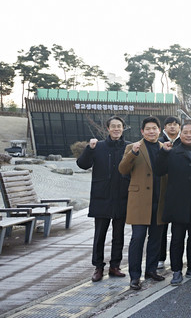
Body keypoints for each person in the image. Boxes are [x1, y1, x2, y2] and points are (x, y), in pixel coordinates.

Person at [76, 116, 130, 282]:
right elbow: (82, 164)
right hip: (102, 197)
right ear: (108, 129)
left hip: (122, 196)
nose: (116, 129)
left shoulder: (129, 147)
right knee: (100, 234)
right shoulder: (97, 146)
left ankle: (115, 265)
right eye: (113, 126)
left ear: (123, 128)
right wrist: (89, 149)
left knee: (119, 235)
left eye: (119, 126)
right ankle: (98, 267)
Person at [156, 121, 191, 286]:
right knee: (177, 238)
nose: (188, 135)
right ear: (181, 134)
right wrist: (163, 153)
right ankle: (176, 271)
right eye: (185, 132)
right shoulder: (172, 151)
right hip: (178, 203)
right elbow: (158, 170)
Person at [118, 116, 167, 290]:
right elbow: (122, 169)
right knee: (137, 239)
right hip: (139, 201)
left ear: (159, 130)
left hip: (159, 201)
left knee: (155, 239)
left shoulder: (165, 147)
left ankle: (151, 270)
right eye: (148, 129)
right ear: (142, 131)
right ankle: (135, 276)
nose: (151, 131)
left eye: (154, 128)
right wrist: (133, 154)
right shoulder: (132, 147)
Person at [157, 115, 181, 270]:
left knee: (178, 229)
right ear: (164, 127)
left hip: (179, 190)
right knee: (161, 227)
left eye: (175, 124)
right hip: (161, 188)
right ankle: (160, 258)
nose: (172, 127)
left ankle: (176, 261)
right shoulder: (158, 141)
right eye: (169, 124)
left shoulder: (184, 141)